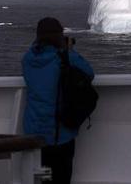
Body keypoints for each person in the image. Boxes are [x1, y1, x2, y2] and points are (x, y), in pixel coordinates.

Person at [23, 17, 94, 184]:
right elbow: (89, 73)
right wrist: (69, 50)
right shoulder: (63, 58)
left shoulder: (28, 59)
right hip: (59, 133)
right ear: (58, 36)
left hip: (35, 132)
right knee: (62, 177)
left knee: (42, 177)